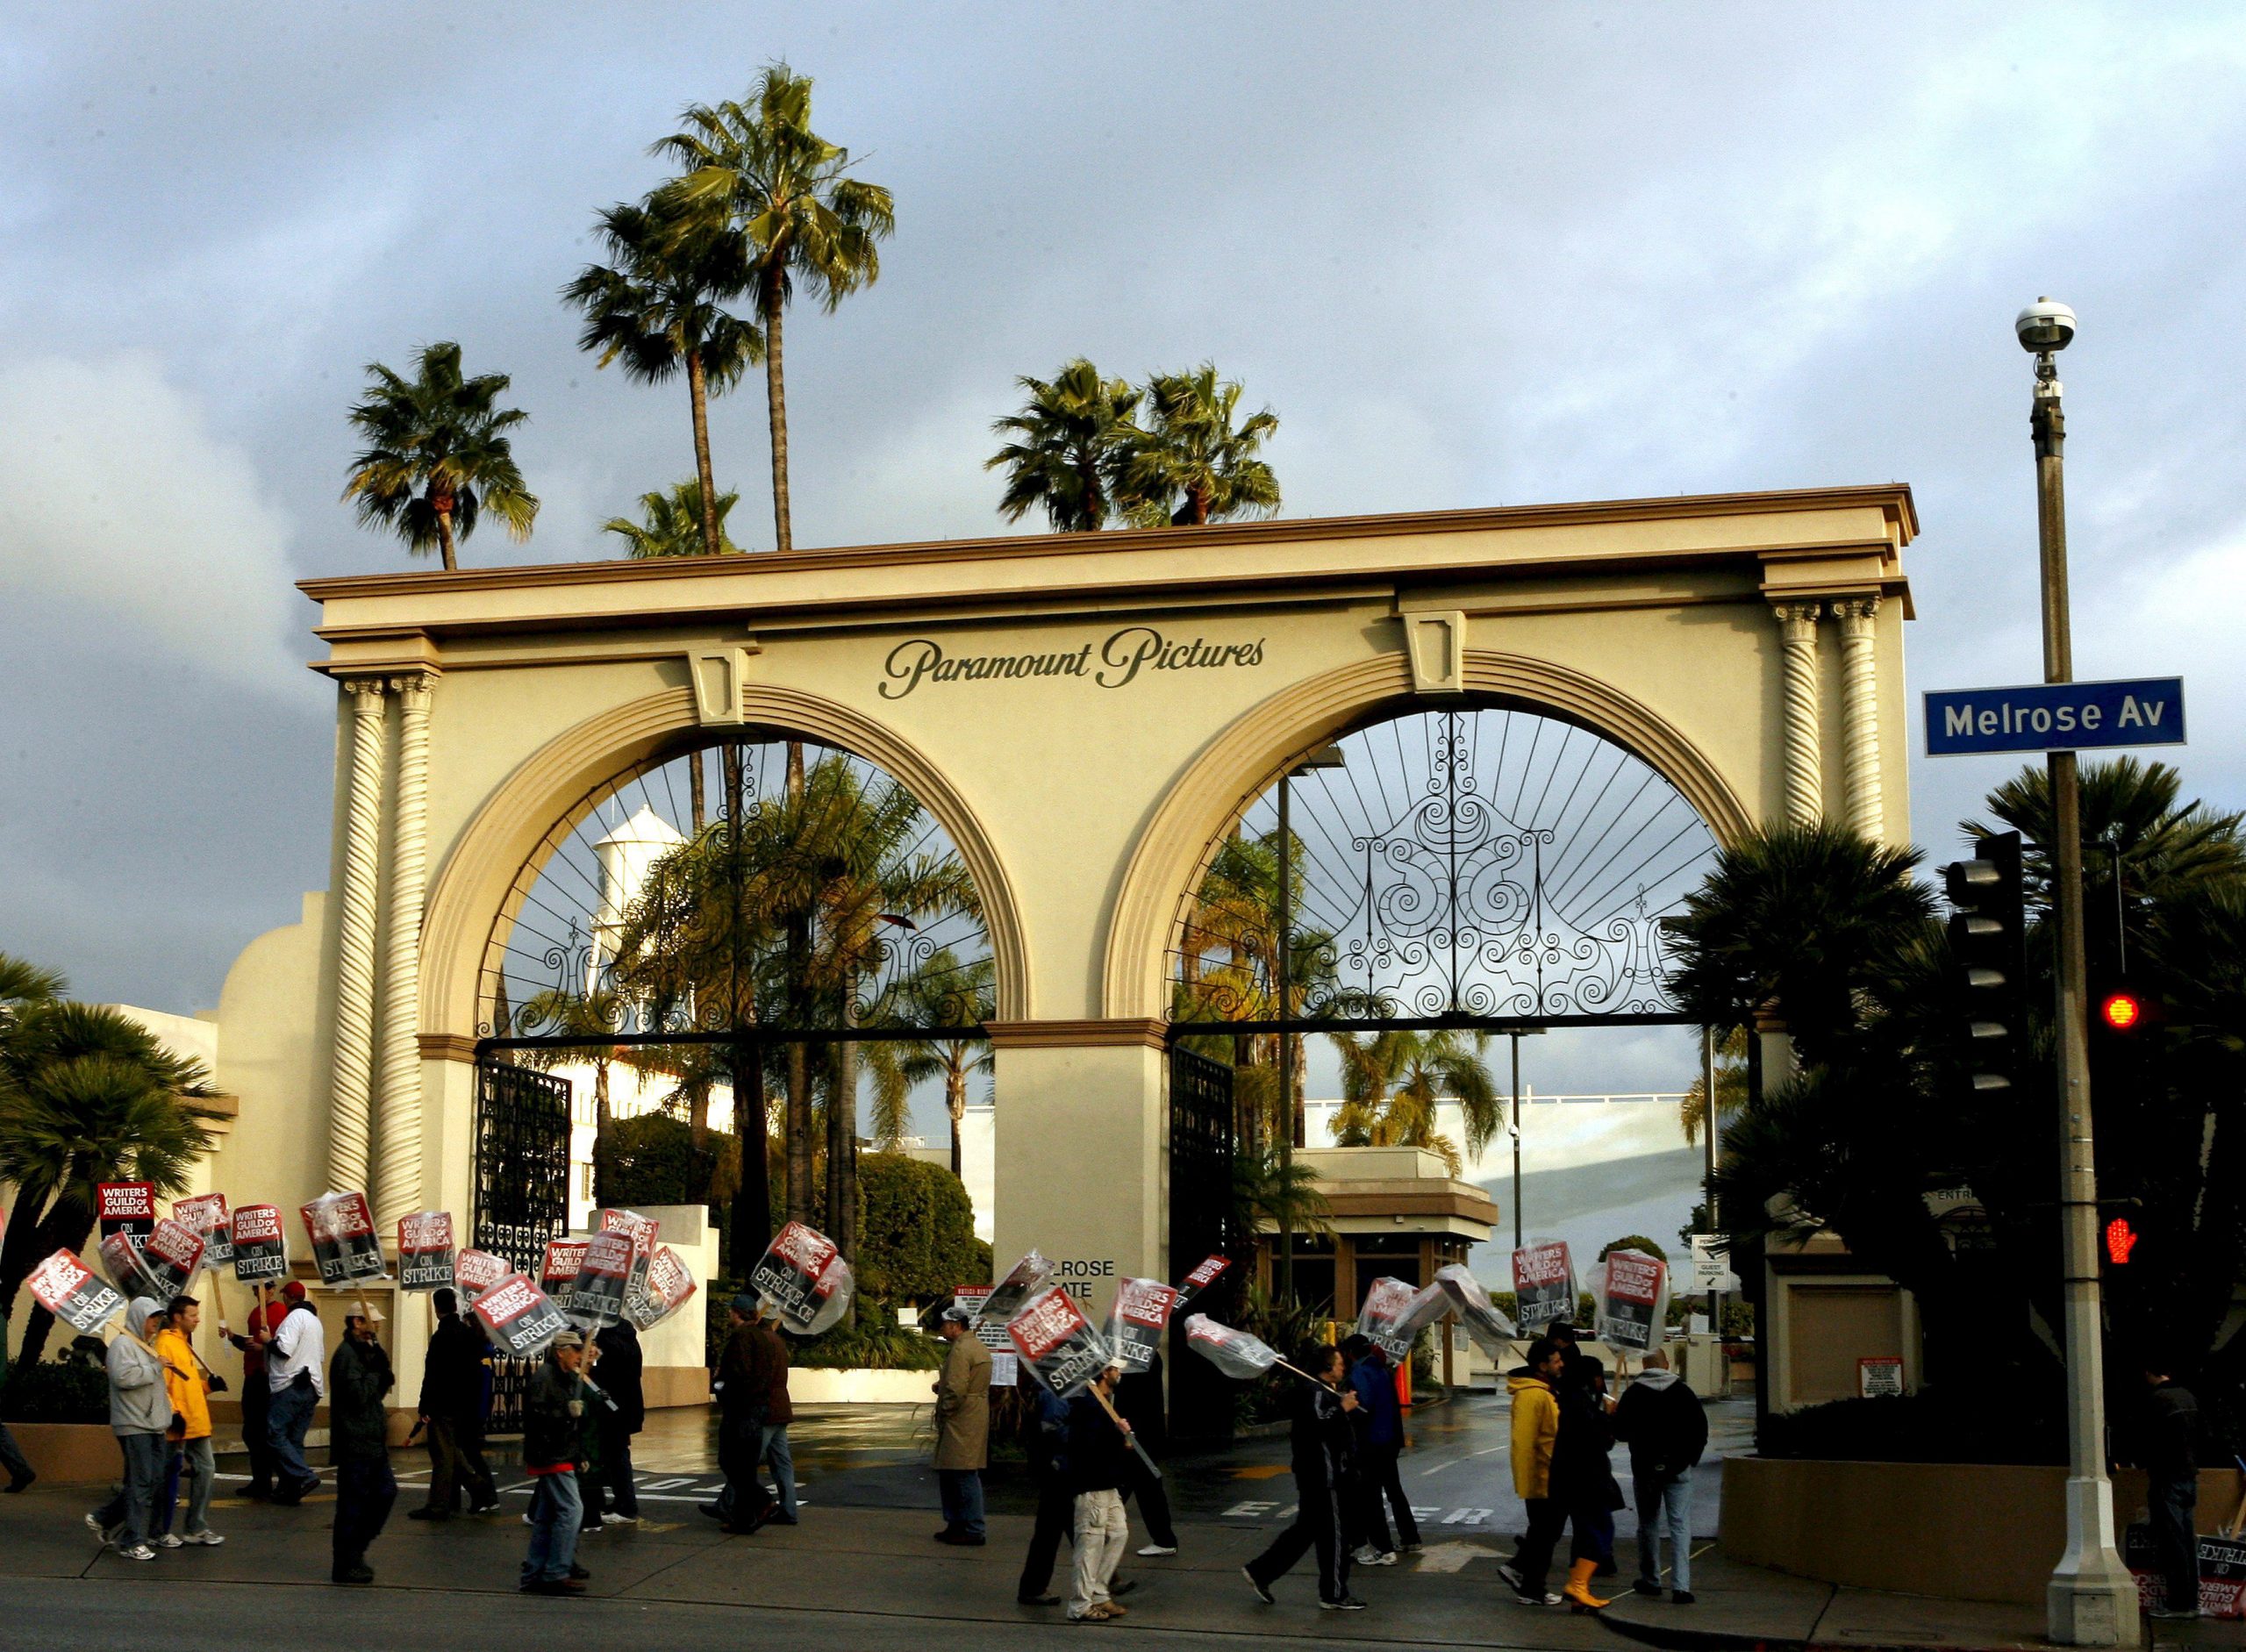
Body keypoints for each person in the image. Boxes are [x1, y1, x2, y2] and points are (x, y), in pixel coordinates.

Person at [1243, 1341, 1365, 1612]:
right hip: (1325, 1477)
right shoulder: (1315, 1394)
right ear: (1326, 1367)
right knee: (1334, 1536)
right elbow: (1320, 1427)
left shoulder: (1321, 1392)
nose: (1342, 1366)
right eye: (1338, 1363)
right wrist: (1342, 1408)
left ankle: (1261, 1572)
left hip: (1315, 1476)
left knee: (1305, 1531)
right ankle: (1334, 1593)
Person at [1613, 1345, 1706, 1604]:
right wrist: (1689, 1459)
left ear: (1644, 1366)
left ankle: (1651, 1579)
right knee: (1679, 1524)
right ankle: (1681, 1587)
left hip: (1645, 1470)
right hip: (1679, 1467)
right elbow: (1700, 1429)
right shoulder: (1684, 1393)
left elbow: (1620, 1432)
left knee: (1648, 1523)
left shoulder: (1634, 1394)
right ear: (1666, 1365)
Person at [85, 1298, 174, 1561]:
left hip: (154, 1423)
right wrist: (156, 1366)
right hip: (134, 1424)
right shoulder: (123, 1345)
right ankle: (131, 1540)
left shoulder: (145, 1346)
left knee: (154, 1479)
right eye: (151, 1317)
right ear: (138, 1317)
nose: (156, 1322)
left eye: (158, 1317)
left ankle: (104, 1518)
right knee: (141, 1481)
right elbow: (124, 1378)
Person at [410, 1287, 499, 1520]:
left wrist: (424, 1406)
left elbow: (433, 1375)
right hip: (464, 1405)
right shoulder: (468, 1335)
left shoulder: (442, 1337)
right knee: (453, 1453)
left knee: (442, 1455)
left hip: (443, 1405)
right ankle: (482, 1491)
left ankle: (440, 1505)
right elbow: (475, 1372)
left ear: (437, 1307)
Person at [329, 1303, 397, 1584]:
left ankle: (358, 1548)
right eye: (373, 1321)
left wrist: (381, 1371)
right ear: (358, 1322)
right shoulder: (347, 1355)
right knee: (352, 1504)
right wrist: (375, 1373)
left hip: (372, 1440)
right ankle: (346, 1561)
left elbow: (375, 1394)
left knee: (386, 1493)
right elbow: (356, 1395)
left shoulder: (364, 1352)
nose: (378, 1326)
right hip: (354, 1441)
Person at [521, 1330, 591, 1596]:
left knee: (547, 1516)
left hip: (558, 1452)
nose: (578, 1355)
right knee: (571, 1511)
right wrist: (566, 1412)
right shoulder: (546, 1378)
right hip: (552, 1454)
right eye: (574, 1350)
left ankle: (535, 1573)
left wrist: (578, 1453)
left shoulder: (561, 1377)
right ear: (560, 1352)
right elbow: (538, 1417)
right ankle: (555, 1571)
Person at [1498, 1338, 1567, 1606]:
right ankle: (1531, 1586)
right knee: (1546, 1534)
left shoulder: (1547, 1390)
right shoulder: (1532, 1394)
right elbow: (1524, 1442)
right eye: (1556, 1360)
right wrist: (1530, 1482)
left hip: (1552, 1475)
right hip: (1544, 1478)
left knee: (1545, 1533)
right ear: (1542, 1365)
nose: (1561, 1364)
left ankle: (1520, 1571)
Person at [1067, 1359, 1136, 1623]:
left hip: (1109, 1482)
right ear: (1105, 1373)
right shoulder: (1088, 1403)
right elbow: (1089, 1444)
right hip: (1092, 1483)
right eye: (1116, 1369)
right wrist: (1118, 1437)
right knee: (1090, 1544)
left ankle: (1098, 1591)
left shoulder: (1108, 1402)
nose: (1120, 1374)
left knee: (1118, 1533)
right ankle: (1080, 1604)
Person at [154, 1294, 224, 1547]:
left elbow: (186, 1385)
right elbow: (162, 1384)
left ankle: (195, 1527)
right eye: (192, 1315)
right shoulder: (166, 1344)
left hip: (195, 1422)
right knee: (165, 1477)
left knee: (205, 1470)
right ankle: (158, 1530)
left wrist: (208, 1387)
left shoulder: (184, 1343)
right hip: (179, 1422)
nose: (197, 1320)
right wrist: (171, 1413)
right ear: (177, 1317)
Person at [705, 1295, 776, 1534]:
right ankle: (744, 1517)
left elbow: (739, 1374)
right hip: (757, 1408)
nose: (728, 1315)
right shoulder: (763, 1338)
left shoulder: (741, 1337)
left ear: (737, 1313)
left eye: (730, 1312)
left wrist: (719, 1385)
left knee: (731, 1461)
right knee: (744, 1465)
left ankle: (761, 1501)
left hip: (741, 1409)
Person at [2136, 1362, 2202, 1620]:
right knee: (2186, 1540)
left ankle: (2178, 1604)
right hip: (2189, 1475)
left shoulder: (2157, 1400)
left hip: (2167, 1477)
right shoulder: (2188, 1397)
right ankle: (2191, 1601)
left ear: (2148, 1373)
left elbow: (2149, 1440)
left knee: (2171, 1541)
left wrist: (2139, 1461)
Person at [1342, 1334, 1415, 1565]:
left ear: (1351, 1353)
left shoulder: (1359, 1373)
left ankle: (1381, 1548)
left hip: (1371, 1443)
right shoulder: (1382, 1370)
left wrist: (1345, 1408)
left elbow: (1363, 1407)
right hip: (1390, 1440)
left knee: (1369, 1495)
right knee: (1393, 1490)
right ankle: (1410, 1537)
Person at [931, 1303, 991, 1546]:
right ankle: (958, 1524)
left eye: (945, 1324)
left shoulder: (960, 1350)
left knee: (962, 1474)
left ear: (955, 1326)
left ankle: (970, 1527)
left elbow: (956, 1390)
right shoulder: (977, 1347)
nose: (942, 1328)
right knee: (957, 1472)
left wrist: (944, 1411)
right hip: (975, 1414)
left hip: (960, 1419)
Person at [219, 1287, 288, 1498]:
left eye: (264, 1289)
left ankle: (280, 1480)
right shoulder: (254, 1313)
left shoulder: (282, 1313)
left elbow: (284, 1346)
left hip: (268, 1377)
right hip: (253, 1375)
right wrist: (232, 1337)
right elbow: (251, 1344)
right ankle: (261, 1480)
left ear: (272, 1290)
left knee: (265, 1432)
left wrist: (265, 1348)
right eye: (256, 1290)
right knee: (252, 1432)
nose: (259, 1294)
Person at [1016, 1372, 1075, 1607]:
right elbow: (1053, 1427)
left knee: (1066, 1526)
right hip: (1057, 1467)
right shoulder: (1057, 1392)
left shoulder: (1061, 1388)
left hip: (1057, 1466)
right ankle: (1033, 1587)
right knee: (1052, 1529)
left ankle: (1107, 1577)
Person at [264, 1281, 325, 1505]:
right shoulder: (315, 1321)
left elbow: (283, 1350)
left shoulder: (294, 1318)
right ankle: (292, 1488)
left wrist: (266, 1341)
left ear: (287, 1298)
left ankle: (304, 1476)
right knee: (294, 1439)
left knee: (275, 1434)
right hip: (312, 1386)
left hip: (290, 1384)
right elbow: (318, 1356)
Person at [1117, 1351, 1178, 1558]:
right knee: (1133, 1484)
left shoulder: (1139, 1359)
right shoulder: (1148, 1356)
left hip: (1137, 1434)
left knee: (1140, 1485)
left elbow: (1129, 1397)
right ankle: (1164, 1538)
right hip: (1143, 1432)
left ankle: (1164, 1539)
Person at [589, 1317, 644, 1527]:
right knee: (614, 1455)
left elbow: (604, 1372)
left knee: (616, 1457)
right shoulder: (628, 1338)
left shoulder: (607, 1340)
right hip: (624, 1406)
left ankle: (625, 1506)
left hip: (612, 1406)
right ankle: (618, 1503)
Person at [747, 1303, 798, 1524]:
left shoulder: (763, 1343)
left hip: (767, 1408)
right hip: (781, 1408)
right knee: (782, 1463)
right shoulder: (778, 1342)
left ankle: (730, 1505)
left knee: (745, 1461)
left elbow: (758, 1376)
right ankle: (789, 1510)